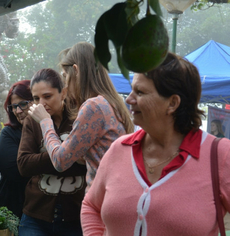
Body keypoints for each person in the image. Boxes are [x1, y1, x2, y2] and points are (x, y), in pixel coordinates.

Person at [81, 52, 230, 236]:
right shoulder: (119, 150)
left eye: (140, 92)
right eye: (132, 90)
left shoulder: (219, 155)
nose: (129, 99)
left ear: (172, 103)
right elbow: (91, 205)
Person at [28, 42, 134, 191]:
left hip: (101, 198)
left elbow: (60, 161)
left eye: (66, 76)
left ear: (76, 70)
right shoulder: (111, 103)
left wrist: (45, 122)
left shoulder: (93, 107)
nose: (66, 85)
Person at [17, 68, 87, 236]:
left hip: (76, 216)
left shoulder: (80, 117)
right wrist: (68, 155)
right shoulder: (31, 121)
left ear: (63, 93)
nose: (41, 104)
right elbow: (24, 165)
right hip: (36, 216)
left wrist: (46, 160)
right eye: (35, 98)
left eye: (47, 96)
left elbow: (91, 164)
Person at [0, 80, 33, 218]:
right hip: (9, 209)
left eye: (23, 104)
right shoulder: (9, 132)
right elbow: (14, 170)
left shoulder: (49, 131)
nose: (18, 111)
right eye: (14, 107)